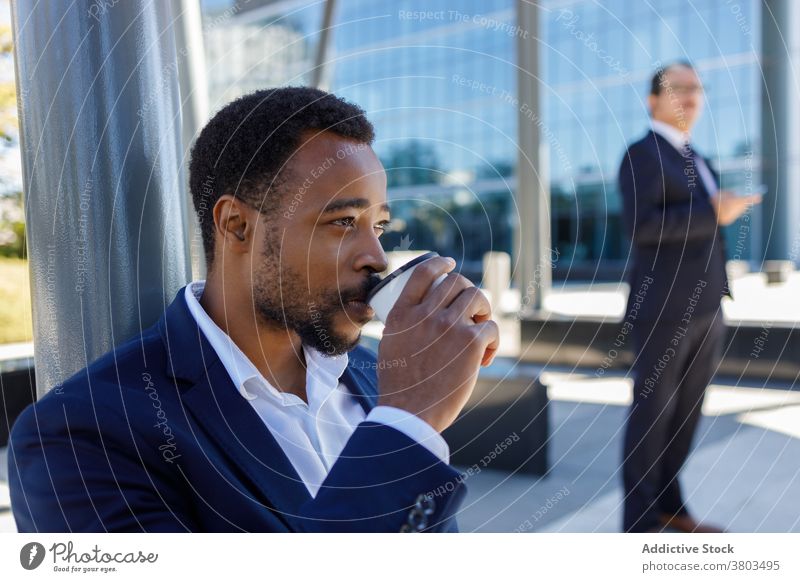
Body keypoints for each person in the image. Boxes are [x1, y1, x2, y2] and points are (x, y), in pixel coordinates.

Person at [8, 87, 499, 532]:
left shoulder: (379, 376)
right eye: (343, 221)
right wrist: (405, 424)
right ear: (237, 225)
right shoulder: (78, 437)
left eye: (380, 226)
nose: (376, 256)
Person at [618, 62, 761, 533]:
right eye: (679, 89)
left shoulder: (697, 156)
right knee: (652, 415)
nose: (692, 98)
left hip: (706, 306)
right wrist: (713, 213)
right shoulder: (642, 154)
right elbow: (644, 228)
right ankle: (639, 528)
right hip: (664, 309)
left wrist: (716, 213)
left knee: (685, 416)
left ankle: (670, 509)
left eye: (697, 89)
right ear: (653, 100)